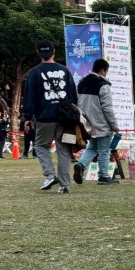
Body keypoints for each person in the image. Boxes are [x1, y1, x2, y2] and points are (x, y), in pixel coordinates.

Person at [22, 39, 78, 193]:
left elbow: (30, 97)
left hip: (44, 117)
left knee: (41, 146)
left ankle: (49, 175)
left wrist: (27, 117)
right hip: (65, 118)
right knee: (64, 149)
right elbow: (73, 95)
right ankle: (64, 185)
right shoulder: (65, 71)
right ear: (54, 52)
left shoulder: (35, 72)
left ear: (38, 53)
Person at [73, 58, 120, 186]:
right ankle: (103, 176)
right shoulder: (103, 85)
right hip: (102, 123)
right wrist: (114, 125)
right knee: (104, 150)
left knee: (92, 147)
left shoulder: (81, 83)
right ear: (102, 71)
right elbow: (107, 108)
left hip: (87, 123)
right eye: (106, 71)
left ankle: (81, 165)